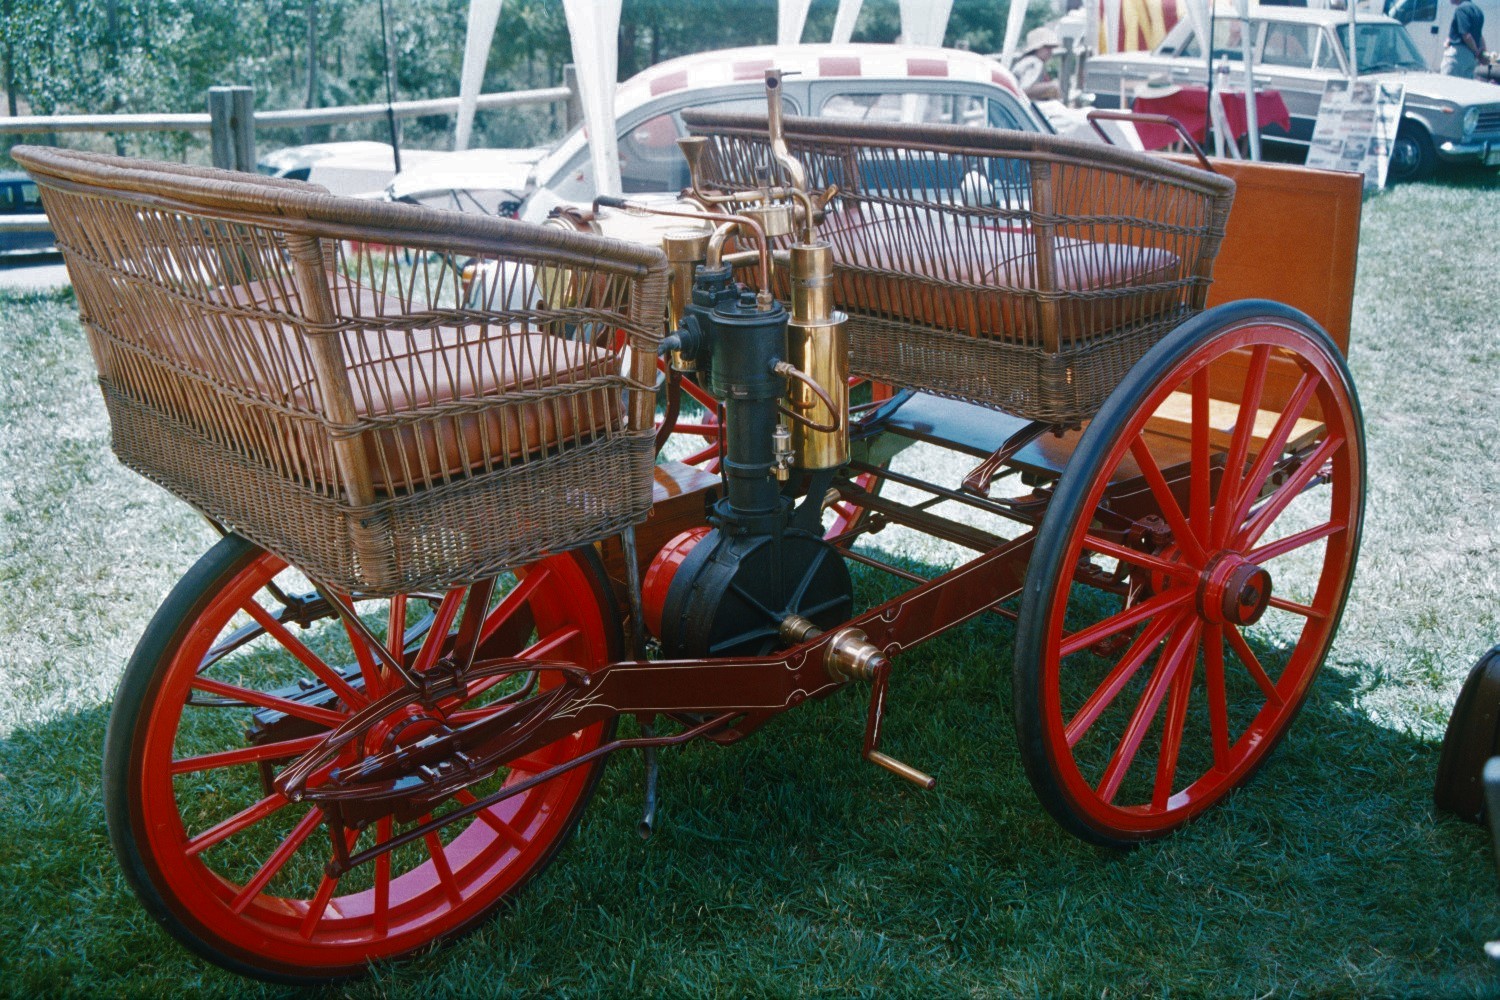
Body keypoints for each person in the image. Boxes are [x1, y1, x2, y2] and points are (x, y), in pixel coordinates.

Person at [1441, 0, 1490, 78]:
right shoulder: (1478, 10)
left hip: (1458, 56)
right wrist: (1483, 52)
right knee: (1464, 88)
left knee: (1447, 85)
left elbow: (1466, 35)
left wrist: (1476, 52)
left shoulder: (1461, 9)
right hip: (1471, 59)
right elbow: (1479, 35)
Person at [1012, 27, 1063, 102]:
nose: (1050, 52)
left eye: (1051, 48)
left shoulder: (1026, 61)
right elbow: (1024, 90)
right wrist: (1051, 86)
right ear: (1037, 48)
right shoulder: (1035, 62)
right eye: (1047, 48)